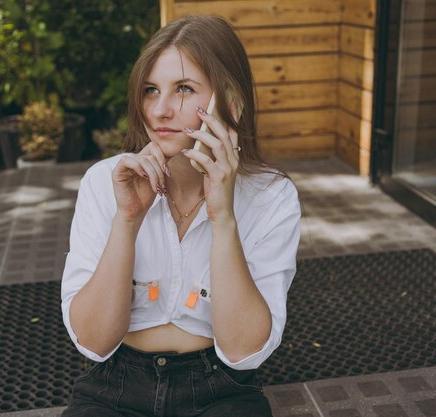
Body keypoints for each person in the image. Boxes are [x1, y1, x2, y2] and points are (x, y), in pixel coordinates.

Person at [60, 14, 301, 417]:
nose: (160, 110)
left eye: (184, 89)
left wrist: (223, 217)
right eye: (151, 90)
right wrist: (127, 219)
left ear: (232, 102)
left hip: (219, 386)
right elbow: (94, 342)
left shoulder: (271, 196)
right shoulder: (105, 181)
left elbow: (244, 352)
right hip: (115, 383)